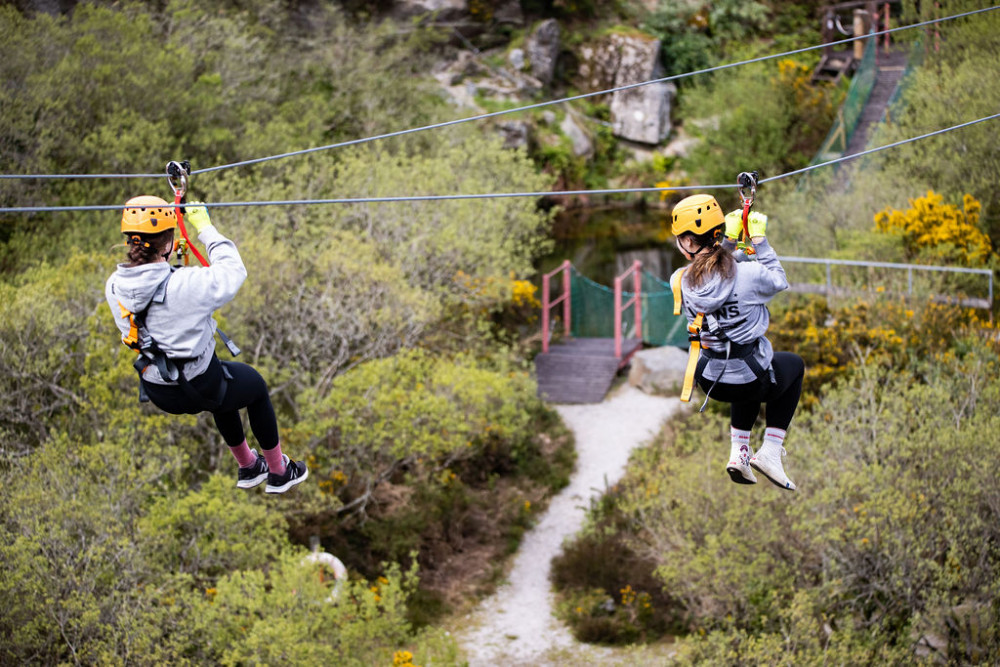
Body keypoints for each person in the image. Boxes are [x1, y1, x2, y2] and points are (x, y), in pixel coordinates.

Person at [105, 195, 308, 494]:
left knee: (226, 388)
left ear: (131, 242)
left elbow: (159, 296)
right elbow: (232, 272)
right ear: (167, 242)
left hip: (159, 389)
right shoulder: (187, 283)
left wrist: (172, 262)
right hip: (200, 382)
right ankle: (279, 471)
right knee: (254, 386)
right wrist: (205, 227)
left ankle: (250, 466)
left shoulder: (114, 285)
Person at [668, 194, 804, 490]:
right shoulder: (750, 274)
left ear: (690, 243)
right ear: (715, 234)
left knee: (743, 370)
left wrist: (729, 242)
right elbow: (779, 279)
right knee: (791, 364)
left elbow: (714, 270)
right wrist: (759, 240)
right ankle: (769, 451)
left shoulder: (680, 280)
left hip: (709, 378)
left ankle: (739, 453)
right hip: (749, 377)